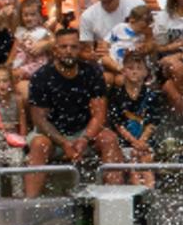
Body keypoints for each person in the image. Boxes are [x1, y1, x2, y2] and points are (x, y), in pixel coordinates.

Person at [23, 34, 116, 197]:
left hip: (85, 132)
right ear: (54, 50)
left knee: (109, 138)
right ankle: (30, 203)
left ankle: (115, 201)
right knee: (39, 144)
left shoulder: (92, 72)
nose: (69, 51)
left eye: (73, 47)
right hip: (51, 134)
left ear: (79, 50)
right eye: (63, 47)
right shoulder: (41, 77)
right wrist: (64, 142)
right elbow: (39, 119)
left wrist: (84, 139)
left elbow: (99, 114)